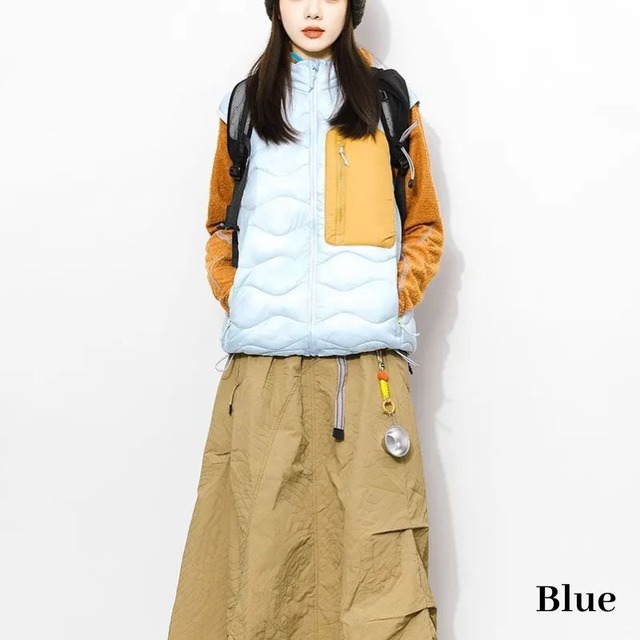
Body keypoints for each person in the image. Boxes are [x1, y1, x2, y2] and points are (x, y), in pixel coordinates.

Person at [167, 1, 444, 638]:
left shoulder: (388, 100)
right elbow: (220, 225)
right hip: (263, 373)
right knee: (260, 568)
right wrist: (240, 296)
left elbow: (423, 224)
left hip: (366, 372)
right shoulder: (245, 105)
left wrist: (391, 299)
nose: (314, 9)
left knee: (378, 565)